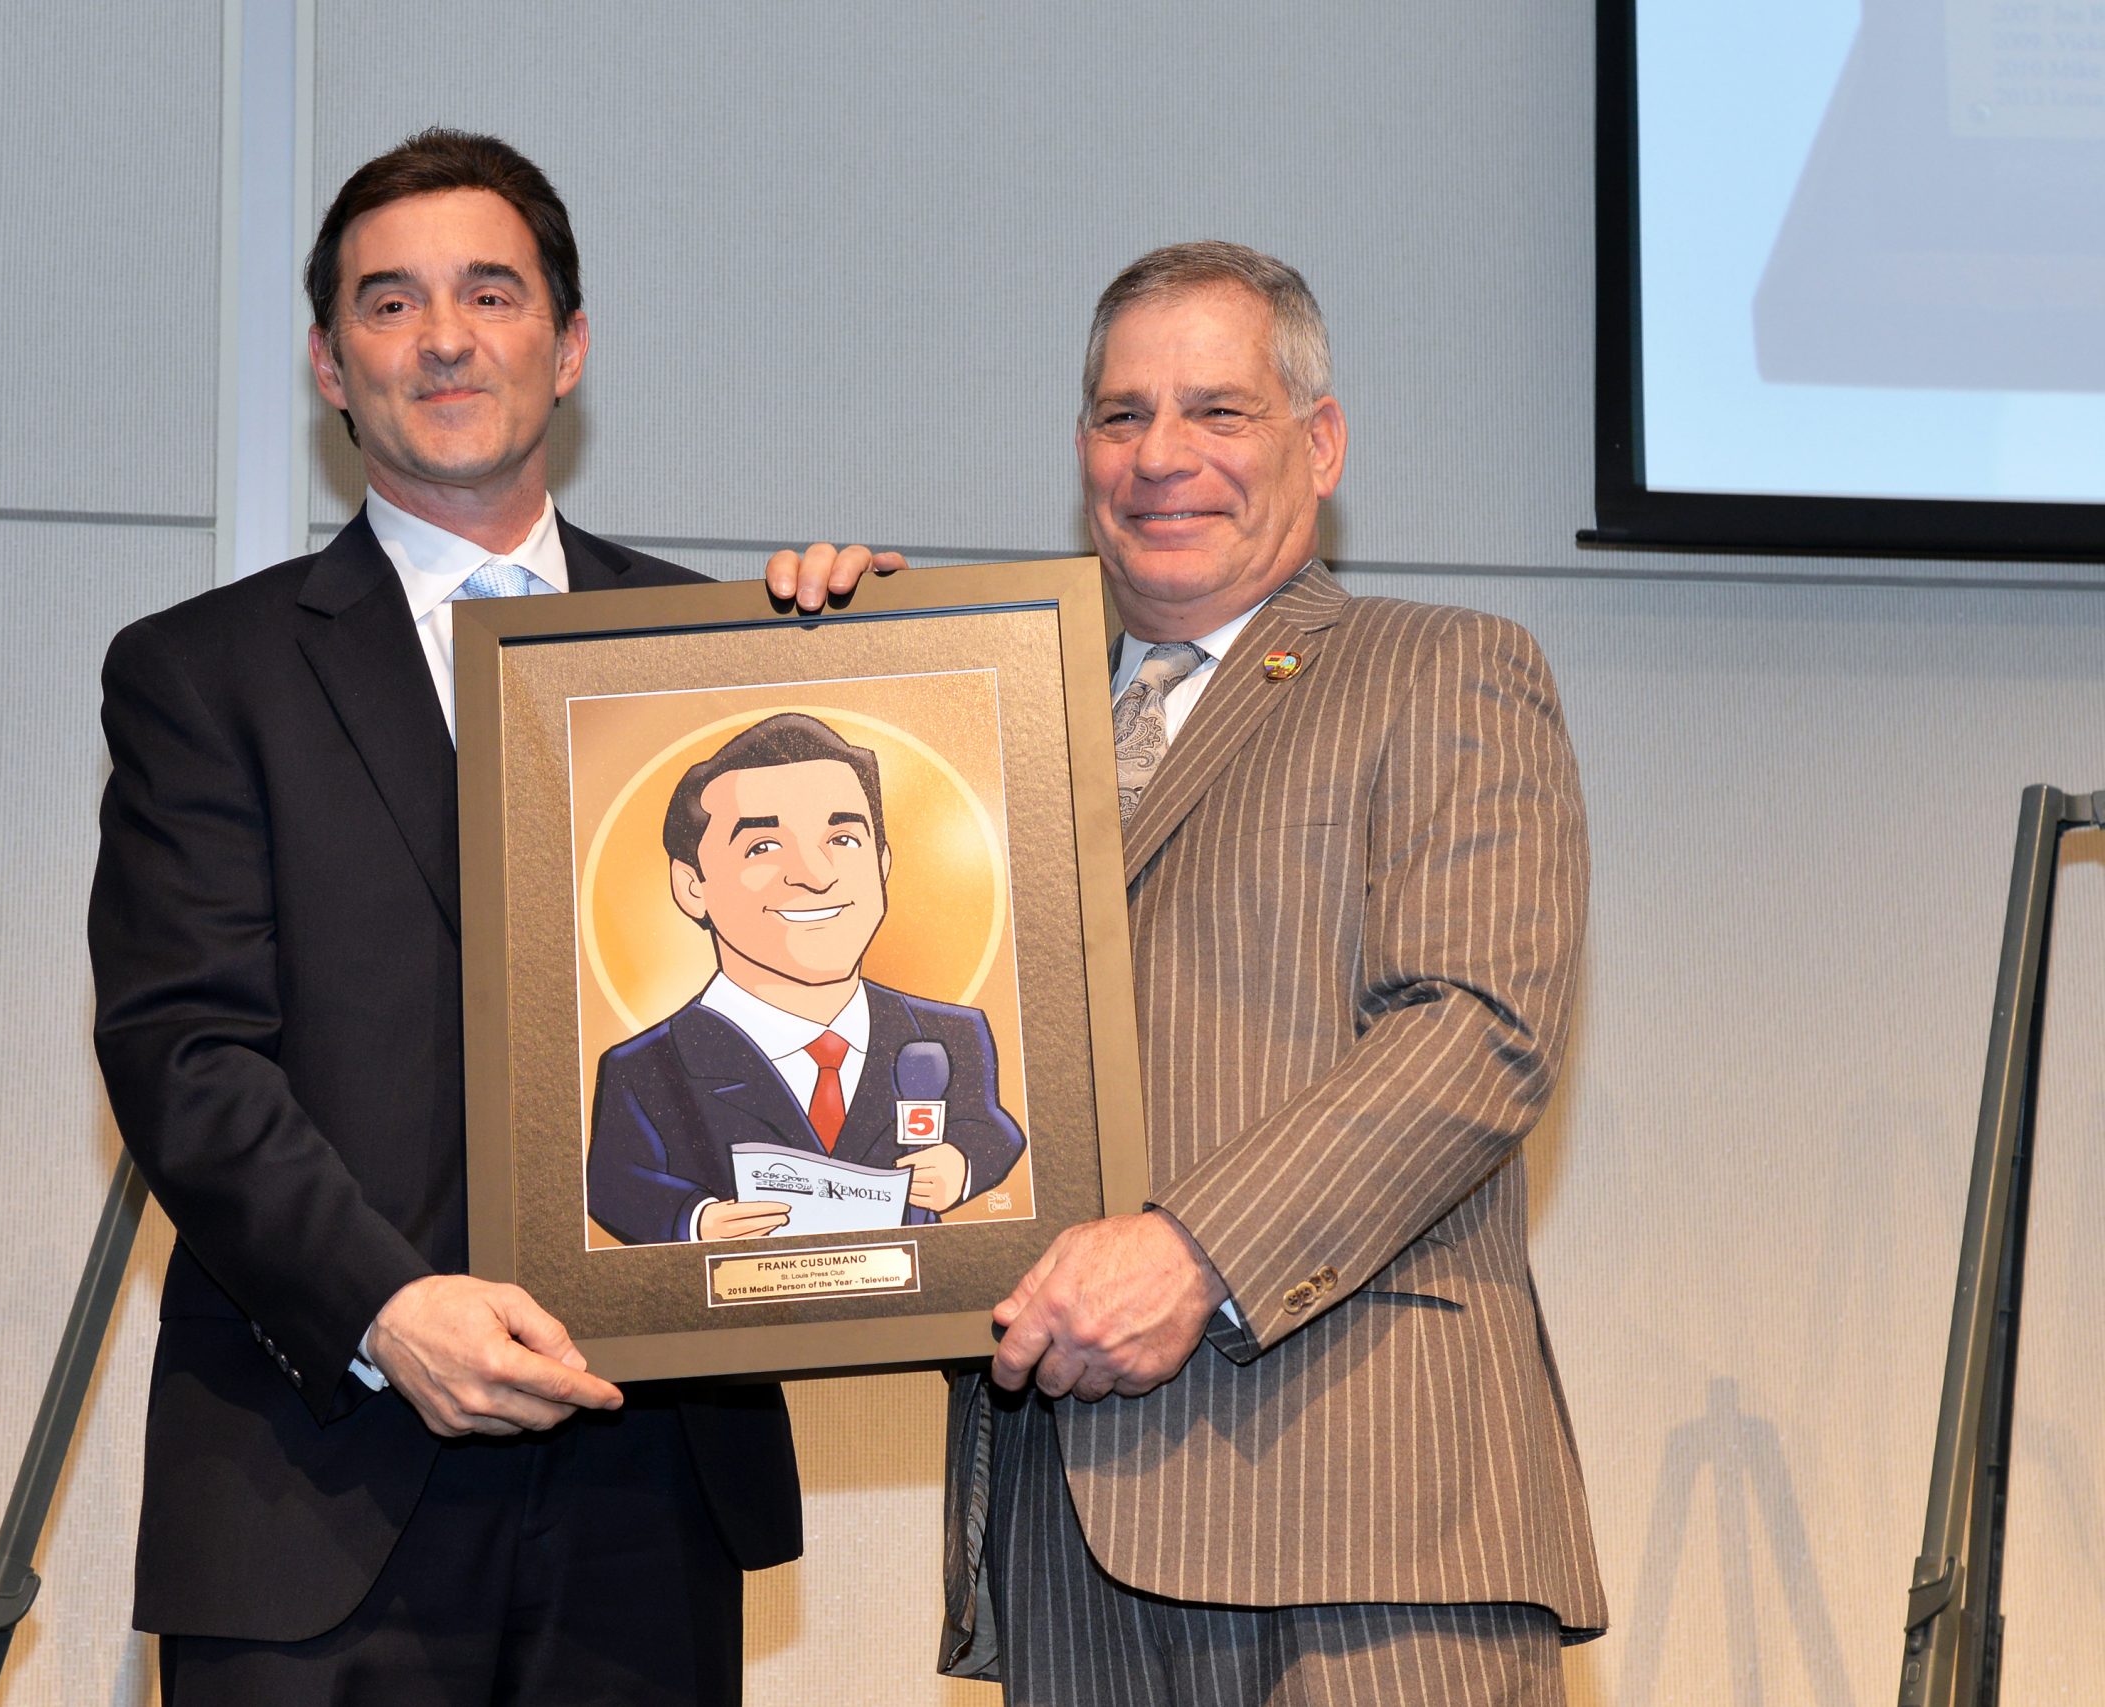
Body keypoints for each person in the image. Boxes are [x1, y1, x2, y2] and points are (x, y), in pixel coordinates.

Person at [88, 128, 899, 1706]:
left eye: (491, 293)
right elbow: (182, 1053)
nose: (444, 338)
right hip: (321, 1471)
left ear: (569, 345)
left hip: (647, 1476)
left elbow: (872, 925)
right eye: (389, 303)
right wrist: (388, 1307)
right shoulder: (203, 674)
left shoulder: (720, 653)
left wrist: (898, 656)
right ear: (330, 364)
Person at [941, 243, 1607, 1704]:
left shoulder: (1444, 667)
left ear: (1321, 442)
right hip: (1066, 1528)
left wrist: (1193, 1252)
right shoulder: (995, 723)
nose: (1160, 456)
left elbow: (1479, 1026)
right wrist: (825, 653)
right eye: (1122, 415)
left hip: (1365, 1514)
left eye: (1218, 411)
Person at [584, 712, 1026, 1246]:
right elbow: (615, 1184)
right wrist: (694, 1221)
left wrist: (961, 1164)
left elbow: (989, 1125)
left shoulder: (948, 1034)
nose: (816, 876)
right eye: (763, 847)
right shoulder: (647, 1067)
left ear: (882, 864)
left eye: (843, 839)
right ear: (692, 886)